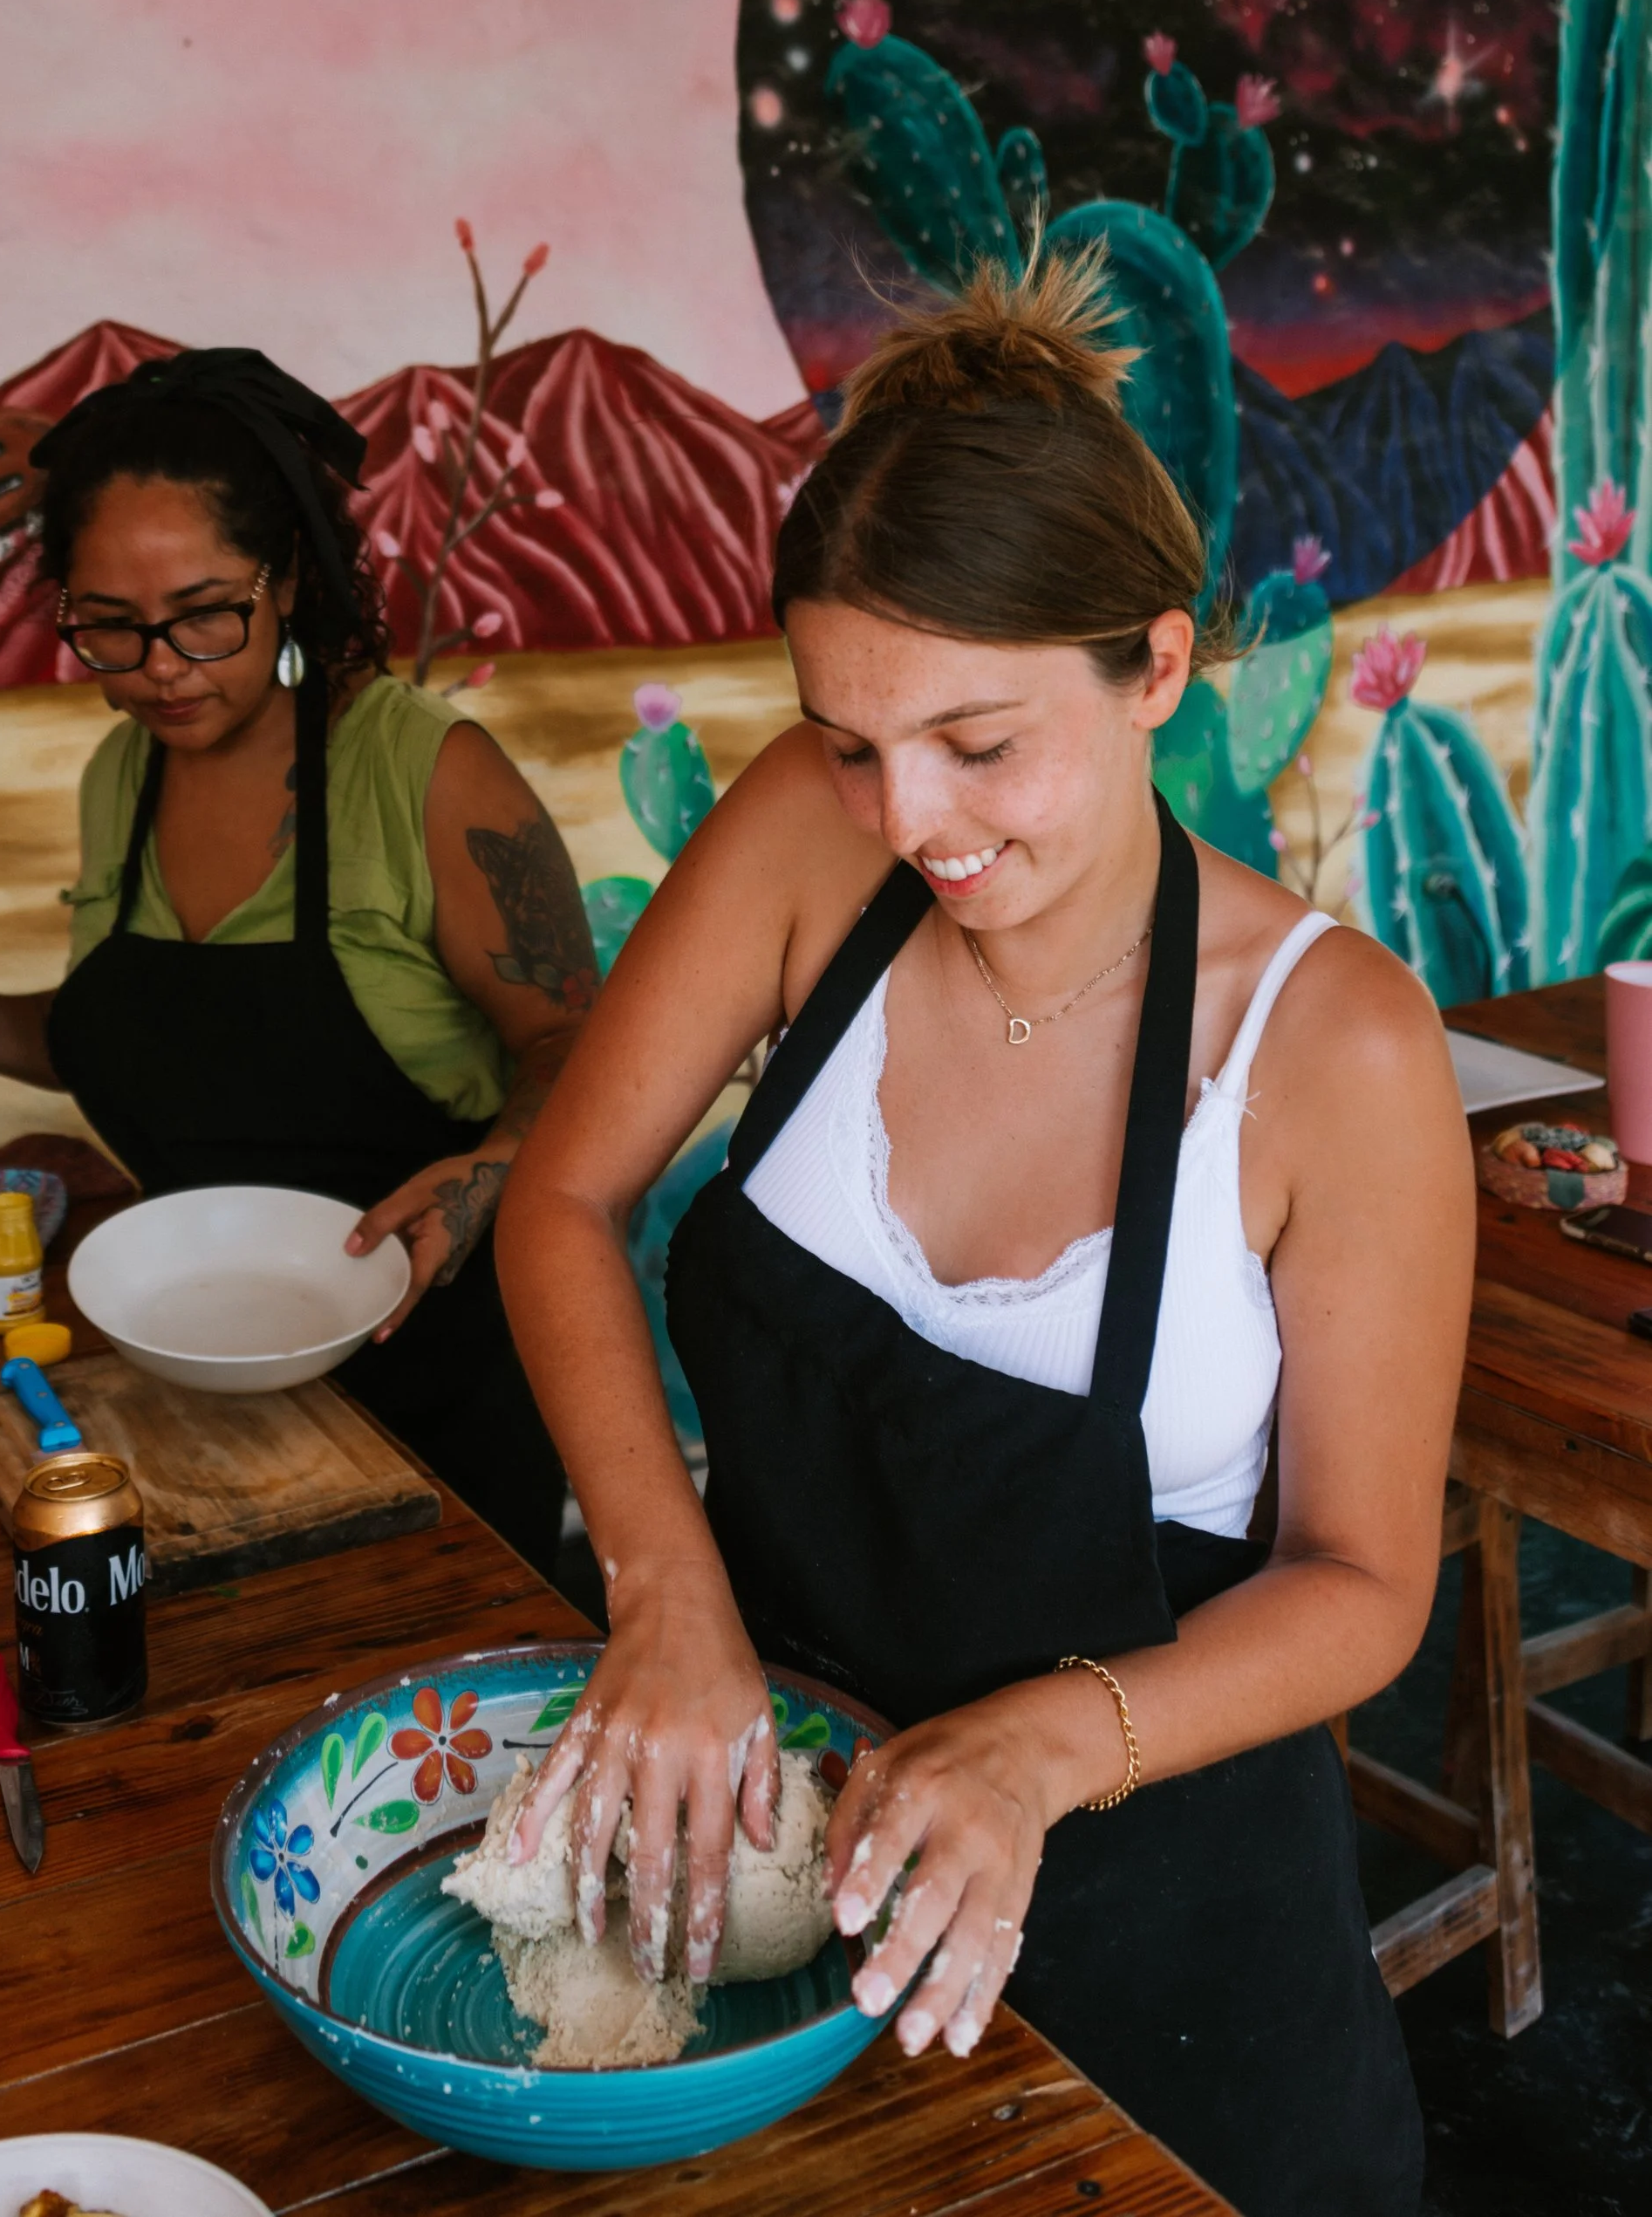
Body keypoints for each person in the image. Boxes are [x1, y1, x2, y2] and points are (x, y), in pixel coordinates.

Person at [495, 255, 1471, 2217]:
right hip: (777, 1859)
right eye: (849, 740)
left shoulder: (1327, 1047)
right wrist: (661, 1589)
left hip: (1160, 1943)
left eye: (973, 741)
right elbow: (563, 1201)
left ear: (1160, 672)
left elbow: (1362, 1583)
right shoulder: (800, 837)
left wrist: (1031, 1752)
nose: (907, 819)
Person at [0, 348, 593, 1570]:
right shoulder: (120, 779)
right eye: (112, 632)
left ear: (287, 576)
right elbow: (169, 1043)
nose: (164, 669)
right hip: (188, 1387)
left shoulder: (424, 774)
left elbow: (578, 1043)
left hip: (436, 1391)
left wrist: (492, 1169)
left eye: (203, 615)